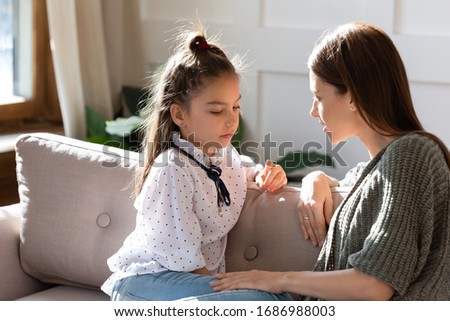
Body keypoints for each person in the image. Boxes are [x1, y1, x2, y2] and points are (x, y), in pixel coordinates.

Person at [210, 22, 450, 300]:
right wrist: (316, 178)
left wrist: (277, 279)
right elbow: (359, 189)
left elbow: (374, 286)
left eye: (318, 96)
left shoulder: (412, 154)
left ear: (352, 95)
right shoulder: (378, 169)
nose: (313, 111)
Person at [100, 26, 291, 301]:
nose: (231, 120)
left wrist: (268, 175)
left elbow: (246, 171)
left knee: (275, 298)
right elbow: (181, 257)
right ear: (179, 114)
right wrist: (223, 295)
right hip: (145, 285)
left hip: (189, 284)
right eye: (216, 110)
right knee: (266, 301)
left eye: (235, 107)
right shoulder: (172, 168)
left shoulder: (223, 157)